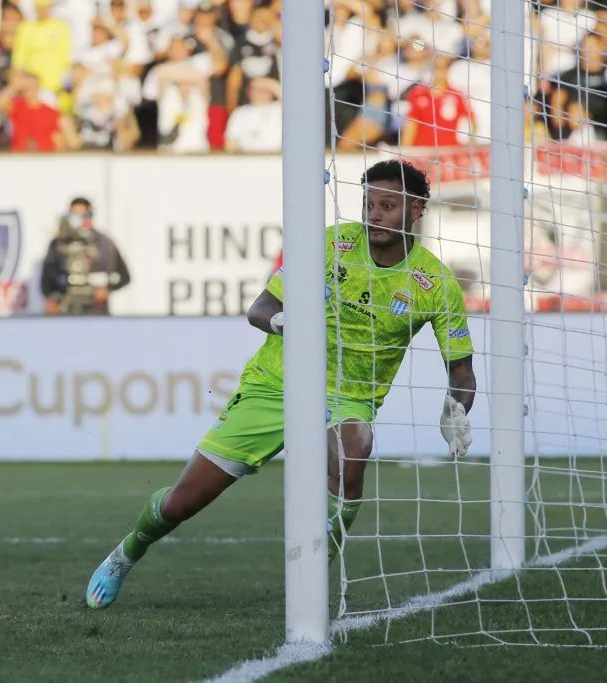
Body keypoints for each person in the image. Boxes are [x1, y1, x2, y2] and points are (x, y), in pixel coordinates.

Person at [85, 160, 477, 608]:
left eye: (388, 205)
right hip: (277, 384)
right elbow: (259, 307)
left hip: (349, 396)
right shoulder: (331, 244)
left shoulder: (436, 284)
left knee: (354, 452)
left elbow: (461, 371)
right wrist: (281, 320)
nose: (374, 214)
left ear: (416, 210)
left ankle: (315, 569)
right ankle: (126, 553)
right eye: (369, 204)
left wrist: (457, 409)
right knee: (180, 504)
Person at [40, 197, 130, 316]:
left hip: (96, 308)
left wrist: (107, 289)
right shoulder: (58, 245)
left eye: (83, 215)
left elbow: (125, 277)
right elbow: (46, 279)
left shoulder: (104, 243)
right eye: (74, 215)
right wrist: (53, 298)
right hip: (66, 308)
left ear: (90, 216)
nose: (78, 220)